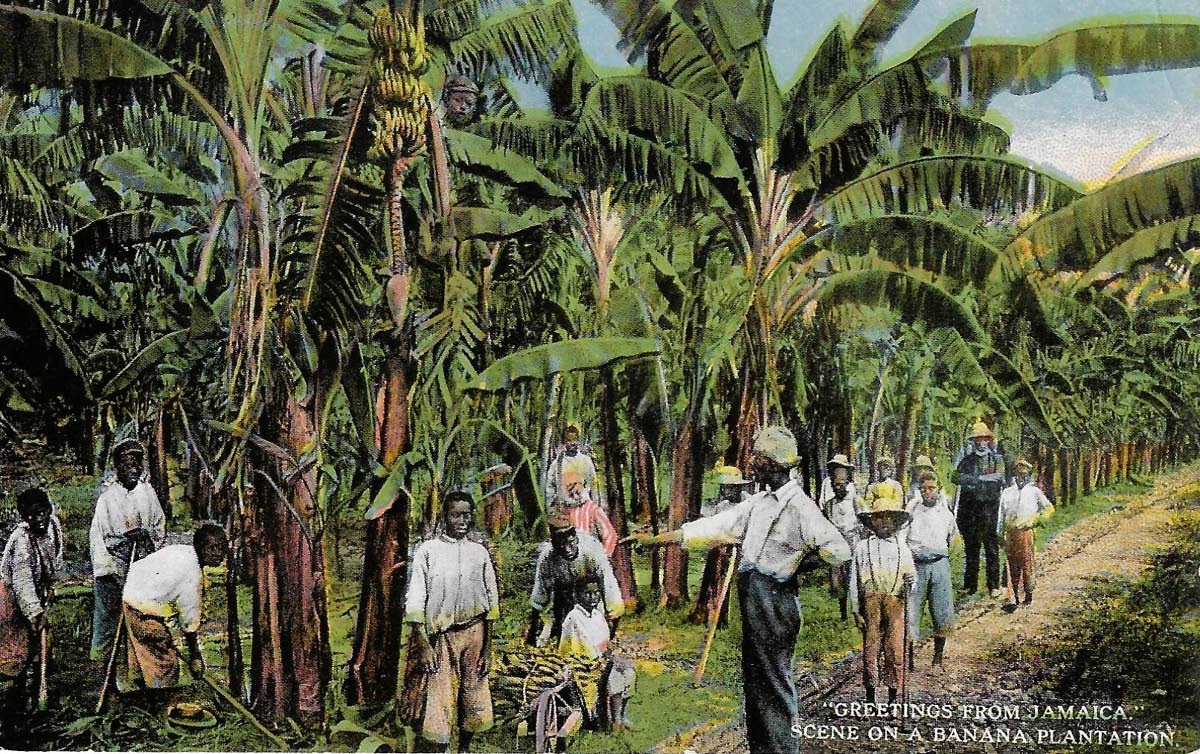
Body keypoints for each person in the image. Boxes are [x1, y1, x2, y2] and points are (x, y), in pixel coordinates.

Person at [626, 426, 851, 754]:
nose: (753, 463)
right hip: (753, 598)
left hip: (776, 601)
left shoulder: (800, 506)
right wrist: (655, 540)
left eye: (759, 458)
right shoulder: (758, 503)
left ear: (774, 464)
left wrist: (793, 567)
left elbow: (838, 549)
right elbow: (712, 528)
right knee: (756, 685)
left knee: (774, 684)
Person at [404, 492, 499, 752]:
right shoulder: (428, 551)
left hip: (475, 632)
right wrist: (423, 643)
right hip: (443, 636)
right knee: (441, 695)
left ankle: (465, 747)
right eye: (455, 515)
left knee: (474, 692)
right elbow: (415, 600)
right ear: (444, 517)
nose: (461, 520)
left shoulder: (478, 553)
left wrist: (487, 650)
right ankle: (442, 748)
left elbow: (491, 602)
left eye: (466, 515)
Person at [120, 523, 227, 690]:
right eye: (214, 548)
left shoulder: (181, 551)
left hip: (131, 599)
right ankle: (163, 703)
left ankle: (139, 700)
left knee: (141, 661)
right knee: (166, 665)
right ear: (201, 547)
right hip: (143, 610)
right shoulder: (193, 575)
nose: (220, 554)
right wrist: (195, 657)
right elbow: (189, 624)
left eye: (223, 548)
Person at [91, 438, 166, 660]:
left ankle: (142, 664)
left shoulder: (147, 493)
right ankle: (104, 663)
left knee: (143, 615)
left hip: (141, 563)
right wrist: (123, 540)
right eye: (127, 464)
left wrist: (147, 536)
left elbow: (159, 526)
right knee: (109, 617)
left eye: (137, 463)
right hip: (113, 566)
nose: (133, 469)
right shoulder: (107, 499)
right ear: (117, 467)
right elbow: (101, 537)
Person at [0, 489, 63, 713]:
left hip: (38, 590)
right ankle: (12, 701)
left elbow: (55, 558)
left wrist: (48, 590)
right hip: (10, 596)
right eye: (30, 516)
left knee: (39, 646)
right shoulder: (21, 540)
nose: (37, 519)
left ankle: (39, 695)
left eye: (41, 513)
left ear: (49, 510)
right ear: (24, 518)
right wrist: (35, 612)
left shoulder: (54, 527)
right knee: (15, 647)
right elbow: (22, 579)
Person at [849, 494, 916, 704]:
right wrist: (855, 610)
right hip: (871, 605)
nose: (884, 523)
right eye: (879, 518)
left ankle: (892, 697)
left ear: (895, 522)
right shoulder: (862, 548)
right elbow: (854, 582)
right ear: (871, 522)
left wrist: (910, 583)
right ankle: (870, 697)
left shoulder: (903, 549)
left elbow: (912, 582)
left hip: (895, 603)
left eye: (889, 518)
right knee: (871, 649)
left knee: (894, 650)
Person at [527, 514, 623, 647]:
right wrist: (532, 632)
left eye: (570, 543)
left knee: (594, 635)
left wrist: (613, 621)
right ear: (554, 544)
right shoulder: (547, 557)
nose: (567, 550)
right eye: (561, 546)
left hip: (590, 594)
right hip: (563, 595)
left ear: (576, 538)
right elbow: (540, 592)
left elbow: (607, 583)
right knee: (566, 636)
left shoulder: (592, 549)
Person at [558, 575, 636, 732]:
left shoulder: (597, 615)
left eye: (595, 593)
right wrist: (604, 658)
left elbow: (605, 641)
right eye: (587, 593)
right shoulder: (574, 618)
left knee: (629, 669)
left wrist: (612, 653)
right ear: (577, 595)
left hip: (600, 658)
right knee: (616, 674)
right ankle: (615, 722)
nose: (592, 597)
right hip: (582, 663)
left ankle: (621, 715)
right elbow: (579, 647)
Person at [905, 472, 958, 671]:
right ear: (919, 489)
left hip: (939, 565)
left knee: (941, 612)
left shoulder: (945, 513)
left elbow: (953, 540)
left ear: (938, 489)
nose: (927, 492)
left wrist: (945, 559)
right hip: (915, 565)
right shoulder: (911, 510)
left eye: (931, 488)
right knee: (911, 611)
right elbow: (902, 538)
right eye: (924, 488)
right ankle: (908, 659)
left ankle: (938, 658)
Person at [953, 422, 1007, 598]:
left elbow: (998, 476)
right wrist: (975, 480)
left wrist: (977, 479)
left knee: (991, 546)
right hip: (970, 509)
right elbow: (956, 476)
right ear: (974, 441)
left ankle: (994, 585)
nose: (981, 442)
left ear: (988, 441)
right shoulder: (968, 460)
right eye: (978, 439)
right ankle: (970, 585)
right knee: (972, 546)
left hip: (989, 507)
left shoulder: (996, 459)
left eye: (984, 439)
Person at [998, 459, 1054, 610]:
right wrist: (1000, 533)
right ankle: (1014, 596)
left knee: (1026, 563)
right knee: (1011, 564)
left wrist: (1037, 520)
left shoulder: (1034, 492)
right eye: (1018, 474)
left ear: (1029, 476)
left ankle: (1028, 594)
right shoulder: (1007, 493)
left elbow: (1048, 508)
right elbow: (1001, 515)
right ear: (1014, 475)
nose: (1021, 477)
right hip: (1011, 533)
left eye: (1024, 475)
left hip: (1026, 532)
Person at [820, 454, 860, 621]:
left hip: (852, 539)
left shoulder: (854, 498)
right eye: (836, 485)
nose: (838, 487)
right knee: (837, 579)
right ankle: (843, 612)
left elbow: (861, 518)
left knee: (854, 577)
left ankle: (857, 611)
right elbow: (826, 519)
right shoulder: (829, 503)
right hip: (837, 542)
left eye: (841, 484)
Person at [554, 470, 617, 556]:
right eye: (570, 492)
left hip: (589, 555)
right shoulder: (561, 511)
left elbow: (610, 534)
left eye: (577, 491)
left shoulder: (592, 508)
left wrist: (602, 557)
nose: (575, 495)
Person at [545, 423, 599, 510]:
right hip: (564, 508)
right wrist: (550, 507)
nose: (572, 443)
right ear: (564, 442)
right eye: (569, 440)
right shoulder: (557, 463)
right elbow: (550, 487)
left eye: (574, 440)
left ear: (578, 441)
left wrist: (594, 503)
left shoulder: (586, 460)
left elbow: (593, 484)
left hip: (583, 506)